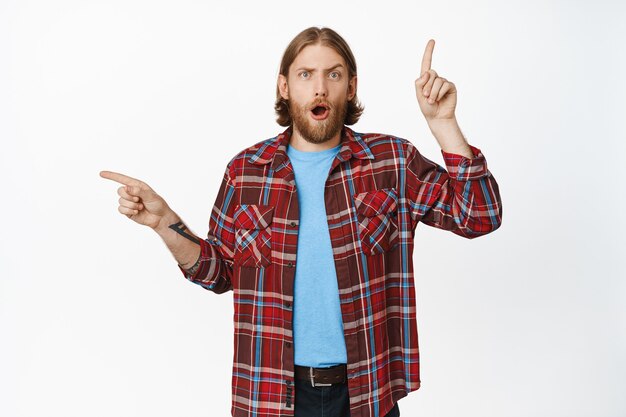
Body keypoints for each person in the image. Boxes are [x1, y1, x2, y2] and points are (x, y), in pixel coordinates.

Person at [100, 26, 502, 417]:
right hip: (272, 395)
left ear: (352, 86)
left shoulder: (391, 162)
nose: (320, 87)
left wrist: (443, 124)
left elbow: (479, 217)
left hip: (367, 394)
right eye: (306, 74)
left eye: (334, 74)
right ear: (284, 87)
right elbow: (219, 273)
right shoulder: (247, 172)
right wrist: (164, 222)